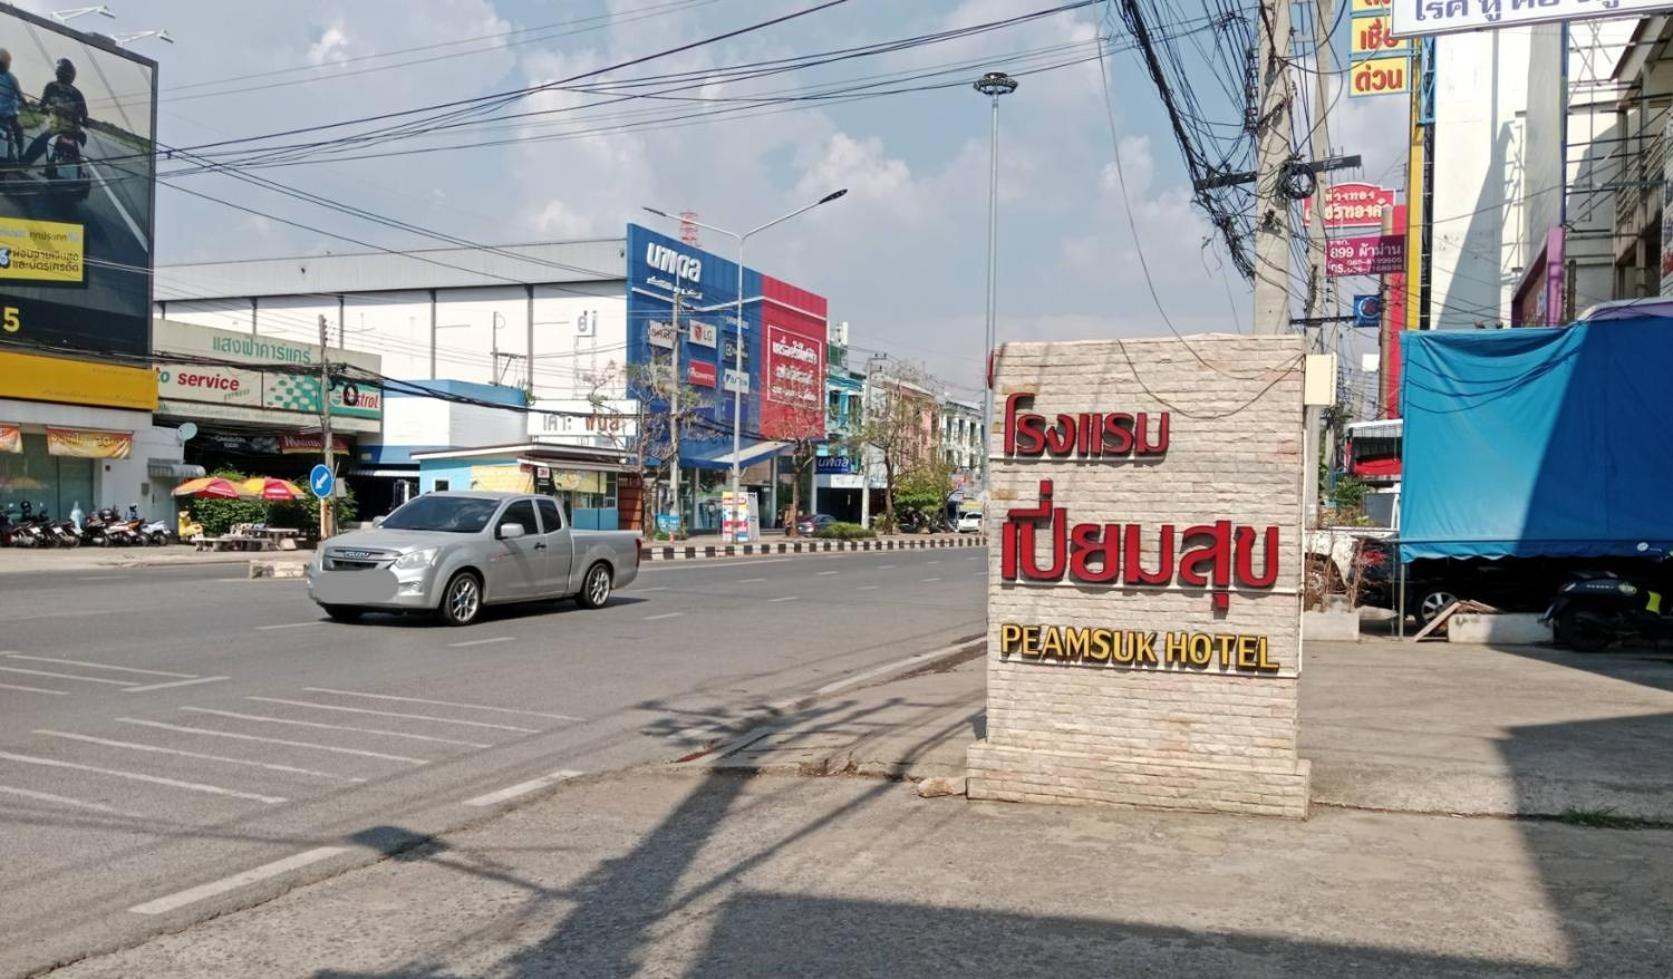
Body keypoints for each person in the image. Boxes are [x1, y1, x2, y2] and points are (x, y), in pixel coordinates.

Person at [21, 58, 86, 166]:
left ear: (58, 73)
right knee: (76, 153)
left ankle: (24, 165)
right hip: (74, 132)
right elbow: (84, 115)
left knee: (38, 144)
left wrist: (44, 109)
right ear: (72, 75)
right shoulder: (77, 93)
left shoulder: (51, 86)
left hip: (55, 129)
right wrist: (84, 122)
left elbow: (42, 105)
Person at [0, 49, 22, 162]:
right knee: (17, 130)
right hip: (6, 114)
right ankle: (18, 155)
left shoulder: (11, 78)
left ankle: (19, 154)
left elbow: (20, 96)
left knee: (17, 130)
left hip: (8, 115)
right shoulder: (11, 78)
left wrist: (23, 103)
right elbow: (20, 96)